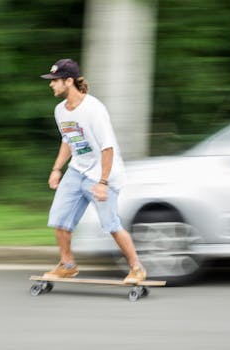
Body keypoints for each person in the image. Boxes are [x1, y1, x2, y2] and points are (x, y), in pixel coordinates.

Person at [40, 58, 147, 283]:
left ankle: (136, 268)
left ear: (68, 81)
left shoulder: (94, 109)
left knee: (111, 225)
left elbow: (107, 148)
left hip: (103, 173)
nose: (51, 84)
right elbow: (68, 140)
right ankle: (67, 264)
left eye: (55, 80)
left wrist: (103, 182)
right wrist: (56, 168)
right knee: (59, 219)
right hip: (77, 170)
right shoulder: (60, 110)